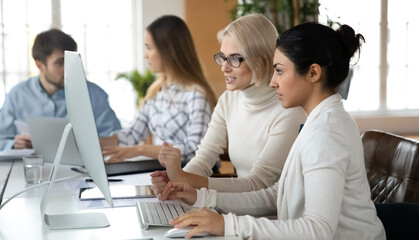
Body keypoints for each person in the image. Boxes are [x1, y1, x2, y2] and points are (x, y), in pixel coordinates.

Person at [160, 22, 386, 239]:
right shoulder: (318, 121)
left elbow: (318, 230)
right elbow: (277, 195)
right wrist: (202, 198)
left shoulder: (327, 133)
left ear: (313, 73)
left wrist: (228, 224)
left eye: (279, 71)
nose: (272, 82)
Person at [151, 14, 306, 196]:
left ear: (261, 60)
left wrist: (184, 178)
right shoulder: (228, 100)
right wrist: (174, 181)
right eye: (223, 57)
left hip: (272, 218)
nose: (224, 67)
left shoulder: (288, 111)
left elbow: (258, 185)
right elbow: (203, 159)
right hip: (238, 209)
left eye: (234, 59)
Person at [100, 15, 216, 164]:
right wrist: (93, 143)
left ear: (168, 51)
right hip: (162, 173)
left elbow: (194, 150)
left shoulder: (196, 95)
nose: (145, 55)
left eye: (149, 47)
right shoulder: (156, 91)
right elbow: (132, 134)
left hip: (190, 178)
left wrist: (140, 150)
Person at [0, 29, 121, 151]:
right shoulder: (16, 95)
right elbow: (2, 139)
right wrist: (13, 144)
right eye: (60, 62)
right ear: (40, 65)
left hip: (81, 168)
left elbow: (116, 139)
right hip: (27, 167)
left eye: (70, 61)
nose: (68, 68)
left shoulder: (94, 95)